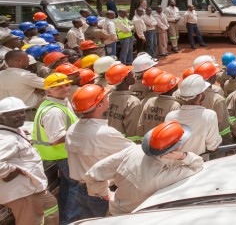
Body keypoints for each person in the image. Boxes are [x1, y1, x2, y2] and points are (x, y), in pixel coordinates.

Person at [84, 121, 204, 216]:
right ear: (176, 147)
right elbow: (197, 164)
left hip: (113, 214)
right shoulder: (161, 176)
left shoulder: (133, 150)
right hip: (137, 218)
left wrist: (106, 194)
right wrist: (183, 156)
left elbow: (93, 173)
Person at [66, 84, 134, 219]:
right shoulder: (104, 133)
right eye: (105, 97)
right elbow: (134, 152)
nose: (108, 98)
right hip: (101, 193)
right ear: (98, 105)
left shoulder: (73, 128)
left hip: (82, 190)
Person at [0, 97, 59, 225]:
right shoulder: (7, 139)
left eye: (21, 112)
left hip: (33, 189)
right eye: (14, 114)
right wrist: (12, 170)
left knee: (51, 205)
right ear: (1, 117)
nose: (20, 116)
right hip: (23, 193)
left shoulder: (13, 131)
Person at [33, 73, 80, 223]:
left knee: (67, 185)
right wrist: (80, 132)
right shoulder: (54, 111)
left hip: (57, 155)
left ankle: (65, 217)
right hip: (60, 155)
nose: (65, 88)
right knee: (76, 186)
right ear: (48, 91)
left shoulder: (58, 103)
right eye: (58, 87)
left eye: (66, 85)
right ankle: (69, 220)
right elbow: (56, 139)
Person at [165, 74, 222, 155]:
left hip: (174, 165)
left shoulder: (170, 116)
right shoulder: (209, 115)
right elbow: (212, 147)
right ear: (200, 96)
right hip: (198, 164)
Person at [105, 63, 143, 142]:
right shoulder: (132, 102)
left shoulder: (108, 97)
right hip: (123, 145)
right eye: (131, 73)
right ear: (127, 80)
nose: (134, 75)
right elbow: (133, 133)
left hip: (107, 141)